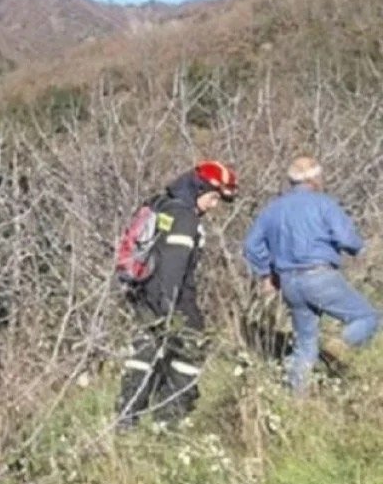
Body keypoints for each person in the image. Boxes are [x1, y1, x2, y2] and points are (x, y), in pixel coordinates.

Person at [116, 161, 238, 430]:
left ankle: (126, 418)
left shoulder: (160, 204)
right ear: (199, 188)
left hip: (143, 296)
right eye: (213, 197)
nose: (214, 205)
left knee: (144, 354)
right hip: (172, 300)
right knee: (189, 354)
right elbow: (173, 267)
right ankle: (167, 422)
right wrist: (171, 310)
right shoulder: (184, 218)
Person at [243, 155, 379, 396]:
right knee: (367, 318)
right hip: (319, 275)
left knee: (305, 344)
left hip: (289, 283)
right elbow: (348, 240)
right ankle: (339, 346)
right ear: (315, 178)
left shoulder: (272, 209)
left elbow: (251, 245)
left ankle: (298, 400)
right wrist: (358, 247)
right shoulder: (323, 204)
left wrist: (267, 274)